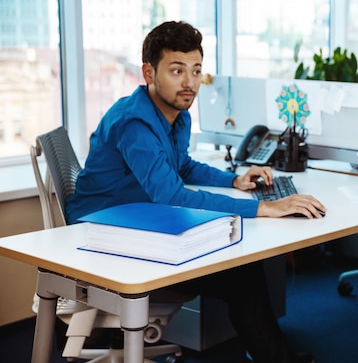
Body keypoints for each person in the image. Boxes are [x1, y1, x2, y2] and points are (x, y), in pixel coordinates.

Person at [66, 20, 324, 363]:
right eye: (176, 70)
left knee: (242, 264)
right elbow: (171, 196)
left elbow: (182, 166)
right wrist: (266, 208)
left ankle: (268, 351)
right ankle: (271, 354)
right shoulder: (135, 123)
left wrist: (234, 180)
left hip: (137, 219)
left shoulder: (176, 113)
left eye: (196, 70)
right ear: (148, 73)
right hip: (103, 238)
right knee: (241, 272)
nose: (190, 83)